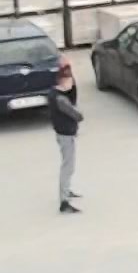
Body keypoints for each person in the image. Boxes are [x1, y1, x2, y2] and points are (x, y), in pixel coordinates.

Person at [51, 61, 82, 214]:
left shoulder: (57, 93)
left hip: (64, 134)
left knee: (68, 165)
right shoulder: (60, 99)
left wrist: (70, 72)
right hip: (65, 136)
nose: (71, 83)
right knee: (68, 166)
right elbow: (74, 112)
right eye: (69, 80)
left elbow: (73, 94)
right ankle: (64, 202)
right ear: (62, 81)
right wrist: (79, 117)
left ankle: (67, 190)